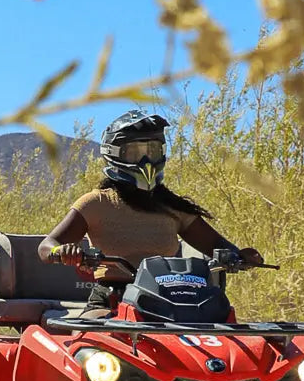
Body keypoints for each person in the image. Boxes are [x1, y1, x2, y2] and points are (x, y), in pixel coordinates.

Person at [39, 110, 264, 316]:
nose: (146, 160)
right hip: (112, 301)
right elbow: (46, 246)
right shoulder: (96, 202)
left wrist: (240, 256)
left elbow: (217, 245)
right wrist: (64, 251)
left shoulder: (171, 206)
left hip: (172, 302)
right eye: (135, 152)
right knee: (92, 348)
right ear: (114, 154)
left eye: (153, 151)